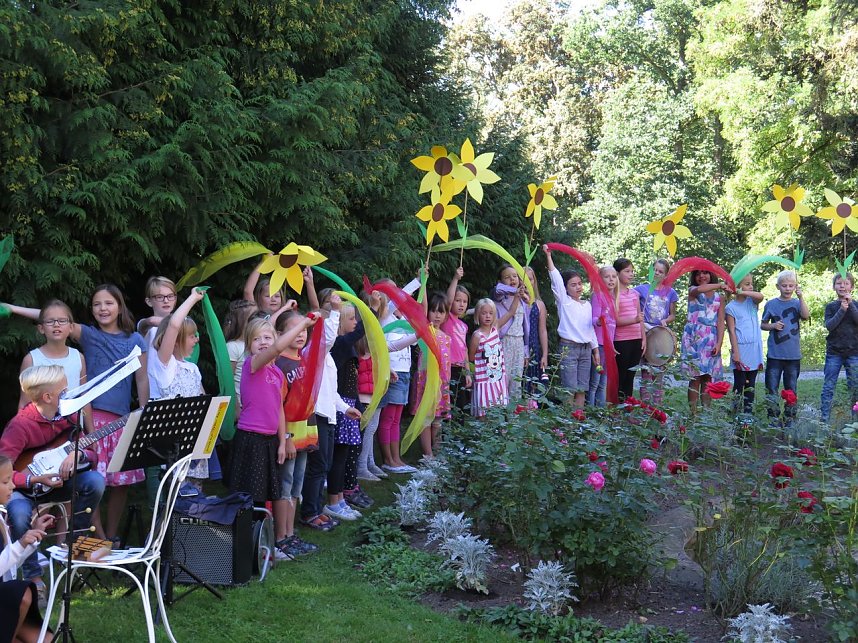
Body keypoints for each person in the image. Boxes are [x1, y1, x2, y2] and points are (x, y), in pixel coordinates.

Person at [6, 285, 149, 542]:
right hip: (62, 428)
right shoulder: (88, 335)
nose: (103, 308)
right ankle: (90, 539)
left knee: (110, 481)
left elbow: (140, 380)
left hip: (101, 422)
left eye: (109, 303)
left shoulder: (130, 341)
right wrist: (13, 308)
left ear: (120, 306)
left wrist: (142, 410)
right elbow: (52, 318)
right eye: (97, 304)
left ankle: (99, 539)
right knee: (80, 480)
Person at [0, 366, 104, 608]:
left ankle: (73, 548)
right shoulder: (20, 426)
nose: (68, 393)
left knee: (95, 482)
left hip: (59, 483)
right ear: (47, 397)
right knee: (18, 512)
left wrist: (78, 455)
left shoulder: (68, 416)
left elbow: (93, 453)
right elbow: (3, 473)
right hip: (23, 490)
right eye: (63, 390)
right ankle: (34, 577)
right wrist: (34, 479)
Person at [229, 314, 317, 561]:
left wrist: (282, 439)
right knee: (251, 497)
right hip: (251, 439)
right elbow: (278, 348)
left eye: (268, 337)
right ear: (249, 346)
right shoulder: (253, 365)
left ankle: (268, 544)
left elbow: (279, 407)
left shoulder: (276, 373)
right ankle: (247, 547)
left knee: (271, 493)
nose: (264, 342)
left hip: (269, 441)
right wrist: (303, 324)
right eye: (257, 339)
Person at [149, 288, 219, 484]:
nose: (197, 340)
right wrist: (192, 299)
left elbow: (203, 400)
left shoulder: (192, 368)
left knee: (195, 492)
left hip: (194, 442)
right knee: (175, 496)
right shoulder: (165, 366)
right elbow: (172, 325)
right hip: (173, 445)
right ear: (177, 340)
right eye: (192, 336)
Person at [273, 311, 328, 557]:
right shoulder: (280, 364)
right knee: (284, 486)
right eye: (295, 329)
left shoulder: (303, 359)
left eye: (304, 329)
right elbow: (278, 405)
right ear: (281, 334)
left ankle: (290, 534)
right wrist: (286, 438)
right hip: (289, 436)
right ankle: (280, 538)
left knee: (296, 486)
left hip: (306, 433)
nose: (302, 333)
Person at [0, 454, 55, 643]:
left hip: (5, 600)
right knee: (22, 593)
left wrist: (32, 537)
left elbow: (10, 566)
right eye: (6, 481)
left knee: (47, 640)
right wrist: (20, 544)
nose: (13, 486)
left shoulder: (1, 515)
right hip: (6, 599)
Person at [326, 303, 368, 519]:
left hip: (349, 403)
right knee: (339, 455)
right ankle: (334, 501)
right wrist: (374, 309)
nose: (355, 323)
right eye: (351, 318)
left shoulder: (345, 344)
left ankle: (341, 498)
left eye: (355, 318)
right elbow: (364, 329)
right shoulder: (340, 342)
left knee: (345, 454)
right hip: (341, 405)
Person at [544, 246, 599, 408]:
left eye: (580, 283)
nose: (578, 287)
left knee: (582, 388)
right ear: (566, 288)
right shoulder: (564, 302)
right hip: (568, 349)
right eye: (573, 284)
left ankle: (578, 420)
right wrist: (549, 257)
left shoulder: (587, 305)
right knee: (570, 389)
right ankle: (567, 427)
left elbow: (590, 330)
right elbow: (556, 279)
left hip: (585, 350)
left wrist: (595, 350)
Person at [16, 300, 88, 414]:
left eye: (62, 320)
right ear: (41, 328)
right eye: (50, 321)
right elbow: (24, 403)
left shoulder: (79, 358)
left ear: (71, 327)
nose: (56, 324)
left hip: (73, 428)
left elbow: (84, 399)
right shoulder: (31, 359)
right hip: (40, 428)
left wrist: (90, 431)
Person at [761, 270, 809, 427]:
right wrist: (773, 325)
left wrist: (801, 297)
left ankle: (789, 418)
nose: (788, 288)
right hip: (775, 355)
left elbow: (806, 315)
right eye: (784, 286)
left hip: (793, 356)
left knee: (791, 388)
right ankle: (773, 418)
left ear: (795, 286)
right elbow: (762, 324)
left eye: (791, 286)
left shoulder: (797, 303)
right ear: (777, 286)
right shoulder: (771, 304)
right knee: (772, 387)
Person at [413, 292, 453, 457]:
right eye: (434, 311)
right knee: (426, 418)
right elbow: (422, 308)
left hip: (441, 384)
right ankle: (427, 455)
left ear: (445, 316)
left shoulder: (447, 338)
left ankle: (436, 453)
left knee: (438, 420)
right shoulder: (425, 332)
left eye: (441, 312)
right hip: (426, 381)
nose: (437, 315)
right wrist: (423, 282)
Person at [635, 259, 678, 406]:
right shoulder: (641, 289)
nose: (657, 273)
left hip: (661, 335)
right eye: (655, 270)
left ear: (665, 275)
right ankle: (645, 407)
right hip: (646, 334)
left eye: (661, 271)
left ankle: (656, 409)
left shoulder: (670, 292)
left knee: (659, 374)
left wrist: (666, 320)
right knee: (646, 372)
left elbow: (673, 314)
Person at [821, 272, 858, 423]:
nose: (842, 286)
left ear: (852, 287)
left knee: (855, 388)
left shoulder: (856, 305)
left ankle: (855, 422)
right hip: (834, 353)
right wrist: (842, 309)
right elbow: (830, 326)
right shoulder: (831, 306)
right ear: (834, 286)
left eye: (846, 283)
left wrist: (851, 306)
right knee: (829, 387)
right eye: (839, 283)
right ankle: (824, 420)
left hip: (854, 352)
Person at [725, 274, 764, 417]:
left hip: (754, 348)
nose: (751, 286)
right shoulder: (731, 307)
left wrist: (742, 291)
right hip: (741, 349)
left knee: (751, 384)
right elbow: (731, 331)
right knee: (740, 383)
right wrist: (735, 352)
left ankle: (748, 415)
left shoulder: (752, 302)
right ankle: (734, 413)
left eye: (751, 284)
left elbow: (760, 296)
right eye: (747, 284)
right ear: (737, 286)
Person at [492, 265, 528, 400]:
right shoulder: (501, 296)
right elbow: (496, 289)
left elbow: (526, 328)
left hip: (519, 342)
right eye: (507, 277)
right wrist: (515, 291)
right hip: (504, 341)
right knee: (503, 378)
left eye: (514, 276)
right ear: (501, 281)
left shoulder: (523, 299)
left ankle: (514, 416)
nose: (512, 279)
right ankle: (500, 415)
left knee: (517, 380)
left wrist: (526, 351)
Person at [613, 258, 646, 400]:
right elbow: (614, 321)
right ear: (617, 273)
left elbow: (640, 318)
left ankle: (628, 406)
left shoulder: (634, 293)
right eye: (627, 271)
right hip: (621, 340)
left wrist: (643, 338)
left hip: (636, 339)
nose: (631, 274)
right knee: (621, 375)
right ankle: (617, 406)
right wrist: (634, 320)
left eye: (632, 271)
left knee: (631, 376)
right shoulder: (613, 294)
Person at [469, 299, 509, 417]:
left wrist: (517, 296)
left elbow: (511, 312)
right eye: (484, 313)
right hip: (484, 381)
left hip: (498, 380)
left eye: (490, 313)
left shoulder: (495, 330)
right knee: (484, 415)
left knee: (499, 413)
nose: (487, 316)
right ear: (477, 315)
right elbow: (471, 358)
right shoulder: (477, 336)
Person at [442, 267, 472, 414]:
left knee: (460, 406)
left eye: (465, 301)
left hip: (460, 370)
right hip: (448, 369)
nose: (461, 304)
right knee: (448, 406)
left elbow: (464, 349)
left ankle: (458, 436)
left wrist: (467, 372)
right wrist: (455, 278)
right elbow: (447, 301)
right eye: (458, 300)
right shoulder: (447, 319)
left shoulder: (464, 325)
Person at [588, 265, 618, 407]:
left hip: (608, 346)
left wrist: (612, 346)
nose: (611, 279)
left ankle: (599, 412)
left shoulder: (613, 298)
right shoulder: (598, 295)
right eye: (607, 277)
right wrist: (599, 322)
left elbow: (613, 326)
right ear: (600, 279)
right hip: (598, 346)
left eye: (614, 276)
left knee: (603, 383)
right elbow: (593, 319)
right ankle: (591, 413)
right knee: (594, 382)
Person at [222, 299, 258, 415]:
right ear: (242, 322)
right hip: (241, 408)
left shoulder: (256, 344)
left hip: (255, 406)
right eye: (253, 318)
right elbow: (227, 381)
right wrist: (235, 407)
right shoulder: (233, 347)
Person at [523, 266, 549, 396]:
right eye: (524, 279)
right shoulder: (515, 301)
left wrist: (545, 354)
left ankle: (532, 409)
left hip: (534, 348)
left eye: (531, 279)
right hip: (518, 346)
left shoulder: (539, 304)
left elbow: (543, 330)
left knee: (534, 383)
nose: (528, 282)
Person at [137, 276, 178, 342]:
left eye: (170, 296)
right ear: (149, 302)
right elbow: (148, 322)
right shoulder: (147, 325)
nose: (166, 301)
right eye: (160, 297)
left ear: (175, 299)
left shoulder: (183, 322)